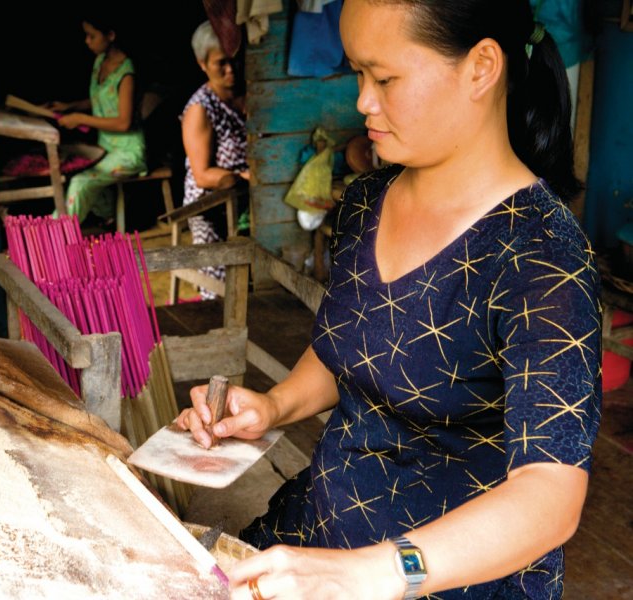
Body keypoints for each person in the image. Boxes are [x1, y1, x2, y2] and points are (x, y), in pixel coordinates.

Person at [176, 1, 600, 598]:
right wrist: (273, 406)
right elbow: (349, 347)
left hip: (443, 583)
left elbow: (549, 497)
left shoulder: (541, 255)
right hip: (317, 533)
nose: (362, 102)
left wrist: (379, 571)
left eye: (385, 78)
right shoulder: (369, 199)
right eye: (357, 74)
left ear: (480, 67)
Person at [48, 12, 146, 225]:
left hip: (127, 152)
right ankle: (110, 214)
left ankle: (54, 237)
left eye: (92, 36)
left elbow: (123, 122)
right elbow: (102, 100)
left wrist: (80, 118)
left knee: (80, 183)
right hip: (105, 148)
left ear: (110, 35)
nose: (87, 41)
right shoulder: (100, 61)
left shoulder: (126, 73)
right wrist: (69, 107)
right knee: (71, 173)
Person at [181, 21, 250, 298]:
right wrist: (246, 178)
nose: (231, 70)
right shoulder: (200, 109)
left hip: (249, 197)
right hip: (211, 203)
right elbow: (202, 174)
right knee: (221, 291)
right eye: (221, 63)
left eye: (234, 60)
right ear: (202, 64)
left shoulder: (253, 94)